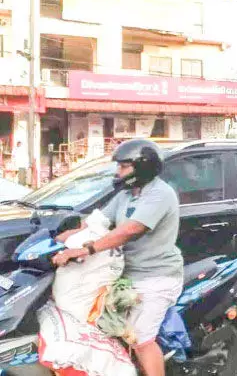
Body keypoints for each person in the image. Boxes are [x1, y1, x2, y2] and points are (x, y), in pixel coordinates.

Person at [53, 139, 183, 376]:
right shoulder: (126, 195)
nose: (118, 172)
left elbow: (129, 230)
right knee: (104, 327)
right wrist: (62, 238)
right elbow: (97, 221)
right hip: (126, 274)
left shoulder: (160, 194)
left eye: (124, 167)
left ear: (141, 168)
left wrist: (85, 249)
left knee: (140, 338)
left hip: (156, 277)